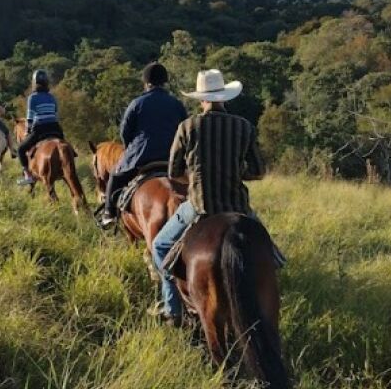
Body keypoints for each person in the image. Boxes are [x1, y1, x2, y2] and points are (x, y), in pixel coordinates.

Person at [151, 69, 270, 324]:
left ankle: (173, 309)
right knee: (270, 252)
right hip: (238, 207)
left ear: (201, 99)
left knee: (160, 246)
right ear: (224, 97)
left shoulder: (187, 126)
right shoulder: (243, 126)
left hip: (199, 207)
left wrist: (193, 178)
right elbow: (259, 172)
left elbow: (174, 172)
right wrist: (237, 173)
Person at [98, 62, 187, 228]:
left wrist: (131, 149)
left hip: (141, 156)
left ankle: (108, 213)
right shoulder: (176, 104)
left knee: (115, 177)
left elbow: (125, 132)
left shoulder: (137, 103)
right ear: (164, 82)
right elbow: (184, 130)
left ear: (146, 83)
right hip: (171, 158)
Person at [16, 69, 64, 186]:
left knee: (21, 149)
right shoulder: (52, 97)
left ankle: (28, 175)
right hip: (55, 128)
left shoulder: (32, 98)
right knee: (66, 147)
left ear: (34, 83)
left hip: (40, 128)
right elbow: (56, 115)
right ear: (47, 82)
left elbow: (30, 117)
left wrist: (28, 131)